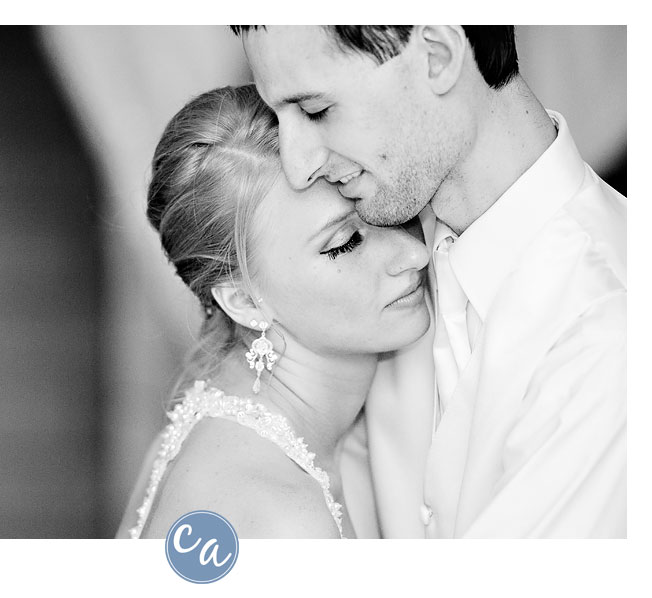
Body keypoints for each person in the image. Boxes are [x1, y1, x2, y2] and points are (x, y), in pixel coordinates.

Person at [232, 25, 626, 538]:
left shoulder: (608, 336)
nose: (296, 164)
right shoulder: (377, 261)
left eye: (315, 111)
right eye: (277, 117)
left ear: (436, 56)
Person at [116, 84, 431, 539]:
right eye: (343, 244)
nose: (413, 254)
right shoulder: (283, 516)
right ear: (244, 301)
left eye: (384, 211)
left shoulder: (208, 435)